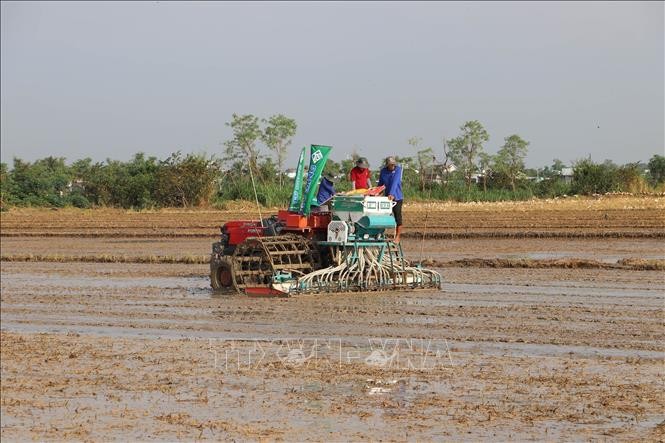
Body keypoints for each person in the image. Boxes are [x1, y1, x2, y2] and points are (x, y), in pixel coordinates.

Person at [377, 156, 403, 243]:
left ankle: (398, 237)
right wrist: (377, 192)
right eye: (390, 165)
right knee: (383, 216)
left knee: (398, 217)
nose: (392, 166)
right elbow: (381, 184)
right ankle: (380, 234)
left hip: (397, 197)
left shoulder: (398, 170)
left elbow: (395, 182)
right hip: (386, 198)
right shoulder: (383, 171)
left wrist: (391, 194)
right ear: (387, 165)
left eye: (393, 165)